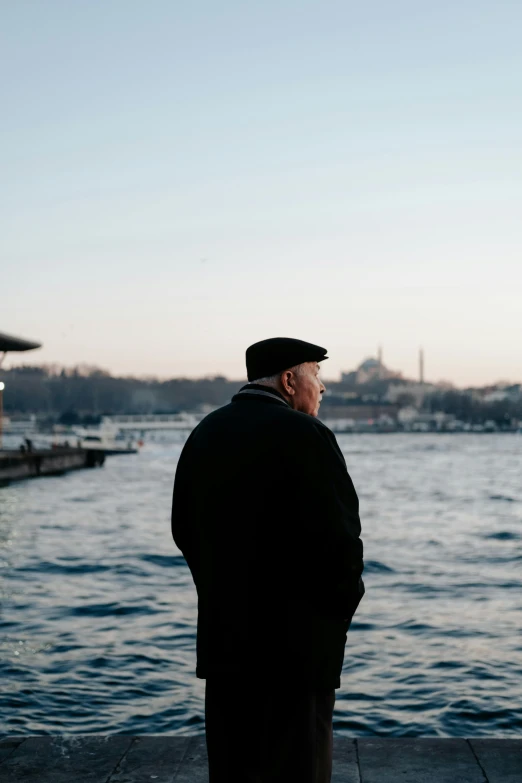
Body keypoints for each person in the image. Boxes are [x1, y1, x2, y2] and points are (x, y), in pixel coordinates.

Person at [171, 337, 365, 783]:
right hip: (296, 655)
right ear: (289, 379)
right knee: (299, 769)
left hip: (226, 647)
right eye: (317, 375)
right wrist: (332, 620)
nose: (322, 388)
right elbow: (342, 546)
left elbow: (184, 530)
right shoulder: (308, 435)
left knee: (235, 768)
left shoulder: (205, 432)